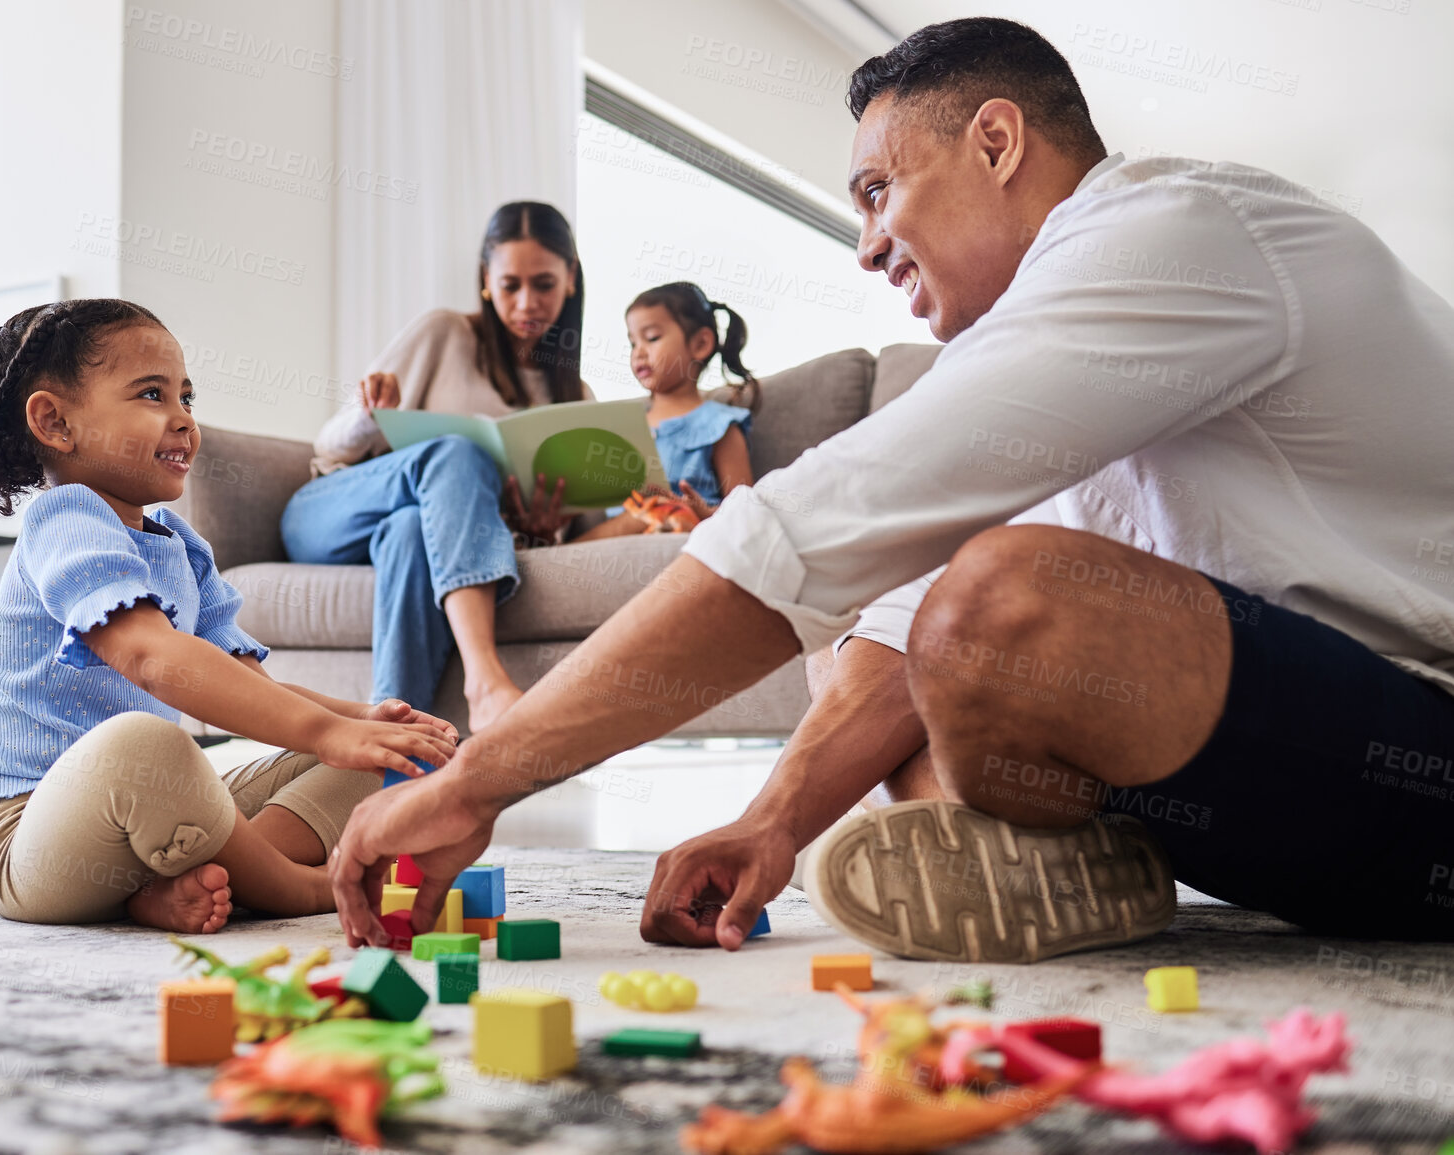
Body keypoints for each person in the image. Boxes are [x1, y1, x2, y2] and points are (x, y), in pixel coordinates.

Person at [325, 17, 1454, 960]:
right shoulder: (1051, 357)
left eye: (878, 191)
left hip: (1420, 757)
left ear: (998, 142)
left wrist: (477, 783)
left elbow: (821, 528)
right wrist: (768, 824)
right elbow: (901, 608)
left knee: (1007, 605)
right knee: (906, 666)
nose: (866, 246)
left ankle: (1072, 860)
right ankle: (1092, 874)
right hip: (1290, 790)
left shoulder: (1178, 232)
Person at [0, 298, 456, 935]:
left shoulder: (181, 546)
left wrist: (361, 721)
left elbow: (249, 688)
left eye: (186, 397)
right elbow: (152, 657)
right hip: (32, 840)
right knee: (149, 745)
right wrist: (331, 731)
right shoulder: (66, 520)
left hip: (152, 817)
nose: (184, 421)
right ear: (55, 422)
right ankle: (305, 886)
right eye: (150, 394)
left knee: (398, 755)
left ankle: (194, 881)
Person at [281, 201, 590, 732]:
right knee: (457, 450)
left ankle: (393, 764)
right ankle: (485, 680)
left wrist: (543, 531)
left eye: (543, 284)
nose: (527, 303)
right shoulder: (444, 333)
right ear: (486, 282)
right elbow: (331, 447)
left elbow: (561, 526)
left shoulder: (575, 397)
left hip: (413, 535)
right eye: (510, 284)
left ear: (571, 281)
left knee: (410, 531)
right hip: (331, 514)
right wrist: (368, 415)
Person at [578, 281, 758, 540]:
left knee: (663, 509)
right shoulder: (627, 426)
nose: (639, 352)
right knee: (635, 514)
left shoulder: (720, 426)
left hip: (685, 528)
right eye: (632, 343)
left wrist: (704, 512)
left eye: (651, 338)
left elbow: (745, 515)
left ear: (700, 344)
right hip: (622, 537)